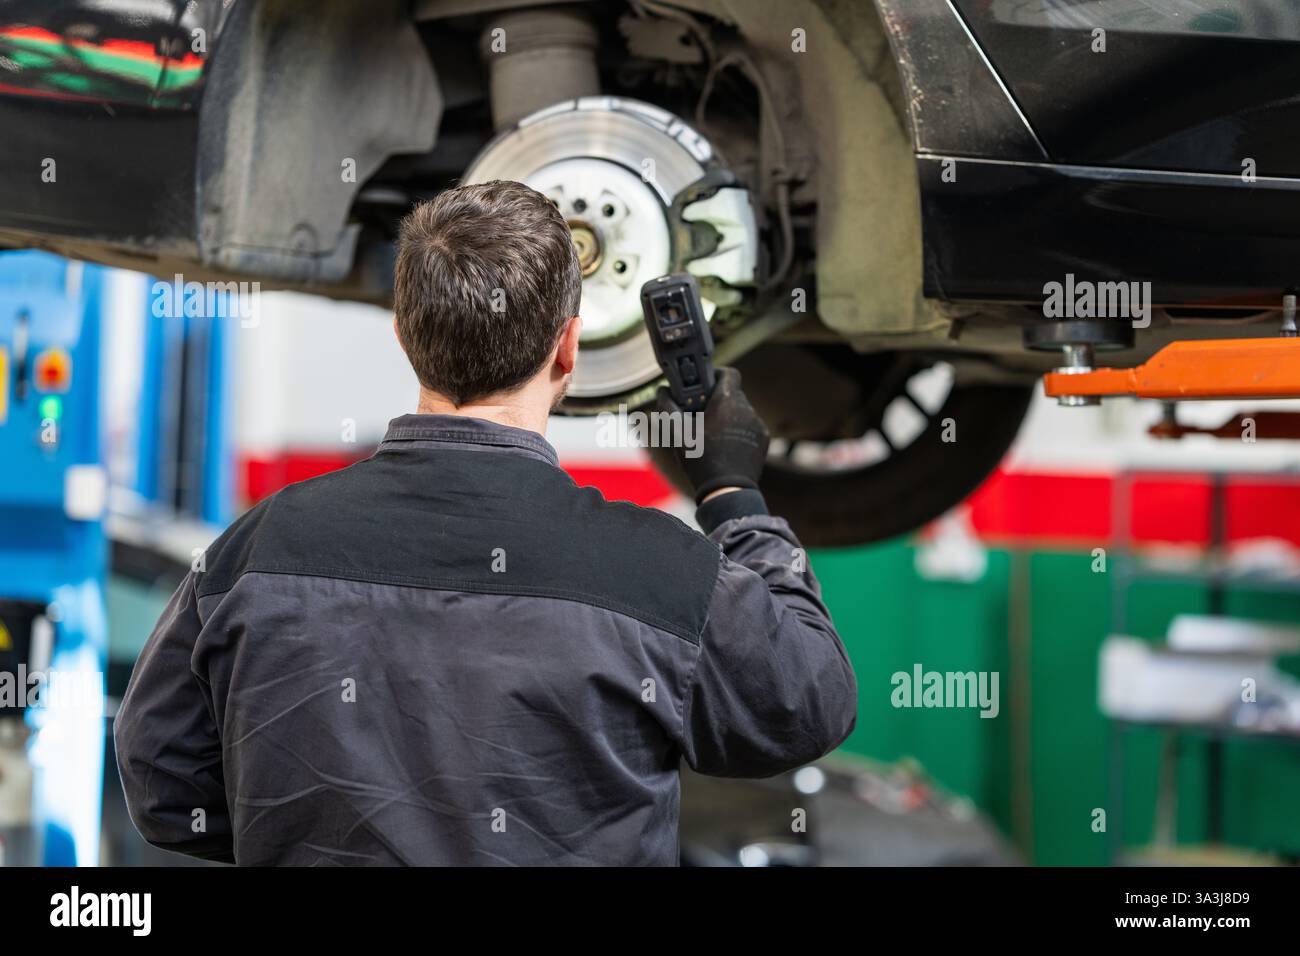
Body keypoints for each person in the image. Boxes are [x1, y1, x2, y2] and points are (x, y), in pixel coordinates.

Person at [114, 179, 857, 866]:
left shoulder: (257, 550)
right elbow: (809, 703)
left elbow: (161, 777)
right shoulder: (661, 573)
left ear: (403, 336)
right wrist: (731, 494)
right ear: (567, 347)